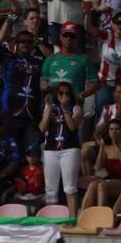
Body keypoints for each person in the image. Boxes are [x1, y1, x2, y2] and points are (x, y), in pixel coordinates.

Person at [40, 81, 83, 217]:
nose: (64, 96)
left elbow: (72, 127)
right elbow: (42, 128)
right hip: (51, 150)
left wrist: (65, 109)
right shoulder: (50, 108)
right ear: (56, 94)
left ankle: (72, 219)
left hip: (69, 150)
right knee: (50, 188)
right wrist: (47, 108)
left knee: (70, 187)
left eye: (67, 93)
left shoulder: (76, 109)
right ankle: (51, 220)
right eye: (60, 93)